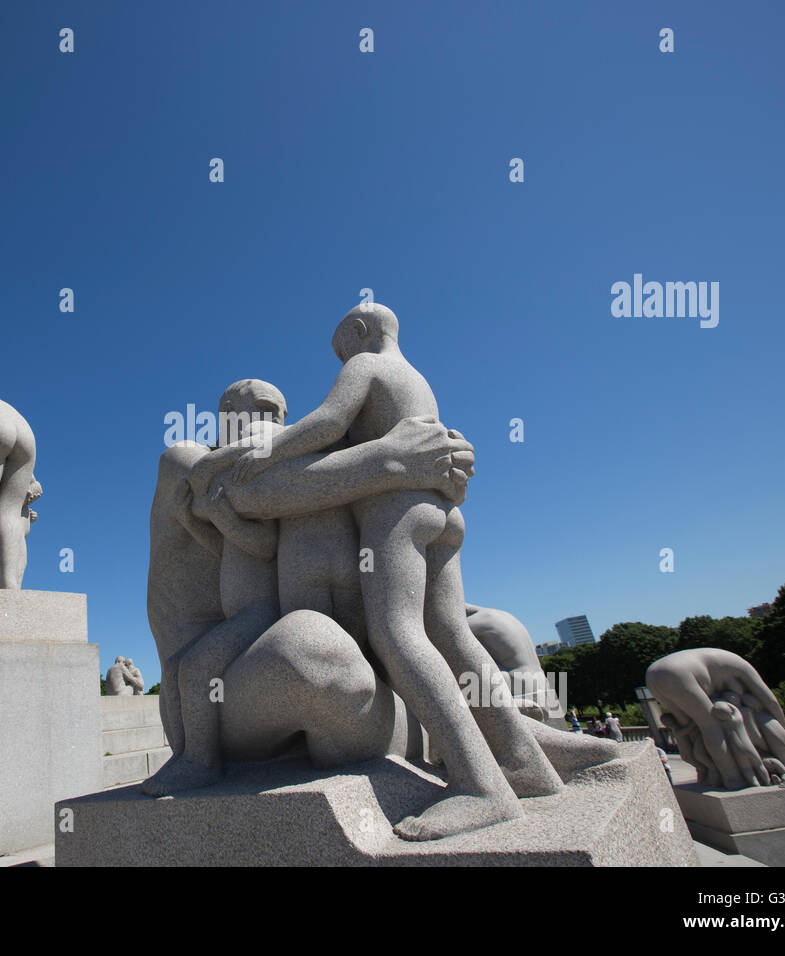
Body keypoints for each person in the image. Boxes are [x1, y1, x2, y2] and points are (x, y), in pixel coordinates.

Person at [231, 305, 561, 838]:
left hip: (397, 514)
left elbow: (329, 421)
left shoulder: (364, 365)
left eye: (340, 343)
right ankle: (524, 765)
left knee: (399, 633)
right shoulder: (418, 378)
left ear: (359, 332)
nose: (339, 355)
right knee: (452, 634)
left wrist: (270, 449)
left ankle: (481, 786)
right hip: (444, 513)